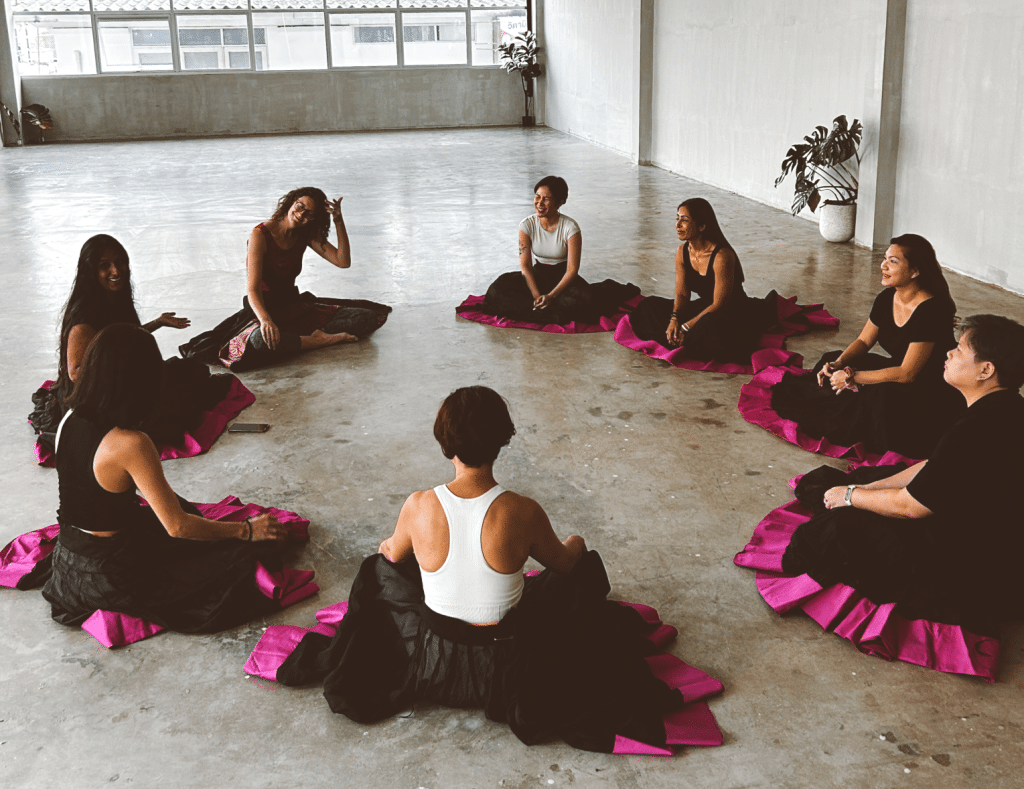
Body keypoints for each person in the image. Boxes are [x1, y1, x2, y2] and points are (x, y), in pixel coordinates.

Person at [268, 386, 721, 752]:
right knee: (579, 570)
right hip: (506, 670)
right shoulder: (521, 511)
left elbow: (390, 555)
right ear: (502, 440)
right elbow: (564, 565)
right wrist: (577, 543)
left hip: (433, 661)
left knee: (378, 568)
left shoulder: (419, 505)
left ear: (444, 441)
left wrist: (400, 546)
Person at [40, 323, 306, 633]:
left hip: (67, 563)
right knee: (241, 558)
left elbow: (94, 493)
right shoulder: (132, 443)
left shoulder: (69, 418)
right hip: (108, 577)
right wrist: (245, 531)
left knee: (189, 523)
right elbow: (177, 527)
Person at [780, 314, 1024, 642]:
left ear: (986, 370)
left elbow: (911, 507)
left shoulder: (974, 430)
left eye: (960, 350)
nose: (949, 353)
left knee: (835, 530)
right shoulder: (1006, 406)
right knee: (874, 478)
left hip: (979, 558)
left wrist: (851, 496)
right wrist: (867, 488)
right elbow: (934, 465)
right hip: (998, 532)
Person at [28, 234, 229, 455]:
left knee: (194, 369)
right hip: (98, 398)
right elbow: (76, 372)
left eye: (120, 262)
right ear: (91, 272)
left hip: (124, 384)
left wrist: (157, 323)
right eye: (105, 266)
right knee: (171, 413)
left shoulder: (115, 298)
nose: (116, 271)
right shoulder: (83, 316)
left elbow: (122, 338)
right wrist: (122, 375)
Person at [771, 233, 964, 459]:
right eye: (885, 258)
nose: (883, 265)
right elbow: (864, 341)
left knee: (878, 394)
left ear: (915, 271)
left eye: (894, 261)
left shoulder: (931, 310)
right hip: (899, 368)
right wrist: (840, 364)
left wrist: (853, 377)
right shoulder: (886, 298)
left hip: (927, 385)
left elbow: (908, 374)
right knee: (833, 358)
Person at [180, 187, 390, 369]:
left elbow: (342, 261)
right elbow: (252, 290)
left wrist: (338, 220)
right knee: (260, 341)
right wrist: (266, 321)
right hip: (262, 309)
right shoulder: (260, 235)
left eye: (309, 214)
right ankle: (318, 341)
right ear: (290, 203)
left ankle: (298, 340)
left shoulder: (304, 234)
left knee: (366, 318)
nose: (302, 215)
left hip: (293, 306)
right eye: (300, 207)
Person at [627, 198, 778, 363]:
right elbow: (682, 294)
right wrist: (675, 319)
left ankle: (685, 340)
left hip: (730, 313)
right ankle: (683, 339)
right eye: (677, 218)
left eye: (684, 221)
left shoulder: (722, 256)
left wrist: (686, 327)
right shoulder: (682, 252)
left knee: (707, 327)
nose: (677, 225)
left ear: (702, 226)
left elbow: (719, 304)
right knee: (649, 306)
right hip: (705, 308)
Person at [478, 176, 637, 326]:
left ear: (559, 202)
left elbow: (572, 270)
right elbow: (525, 266)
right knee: (497, 291)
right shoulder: (526, 225)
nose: (539, 203)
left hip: (564, 280)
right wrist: (536, 296)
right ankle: (542, 309)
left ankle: (540, 311)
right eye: (537, 197)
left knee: (585, 304)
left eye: (546, 199)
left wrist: (551, 296)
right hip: (537, 276)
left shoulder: (570, 228)